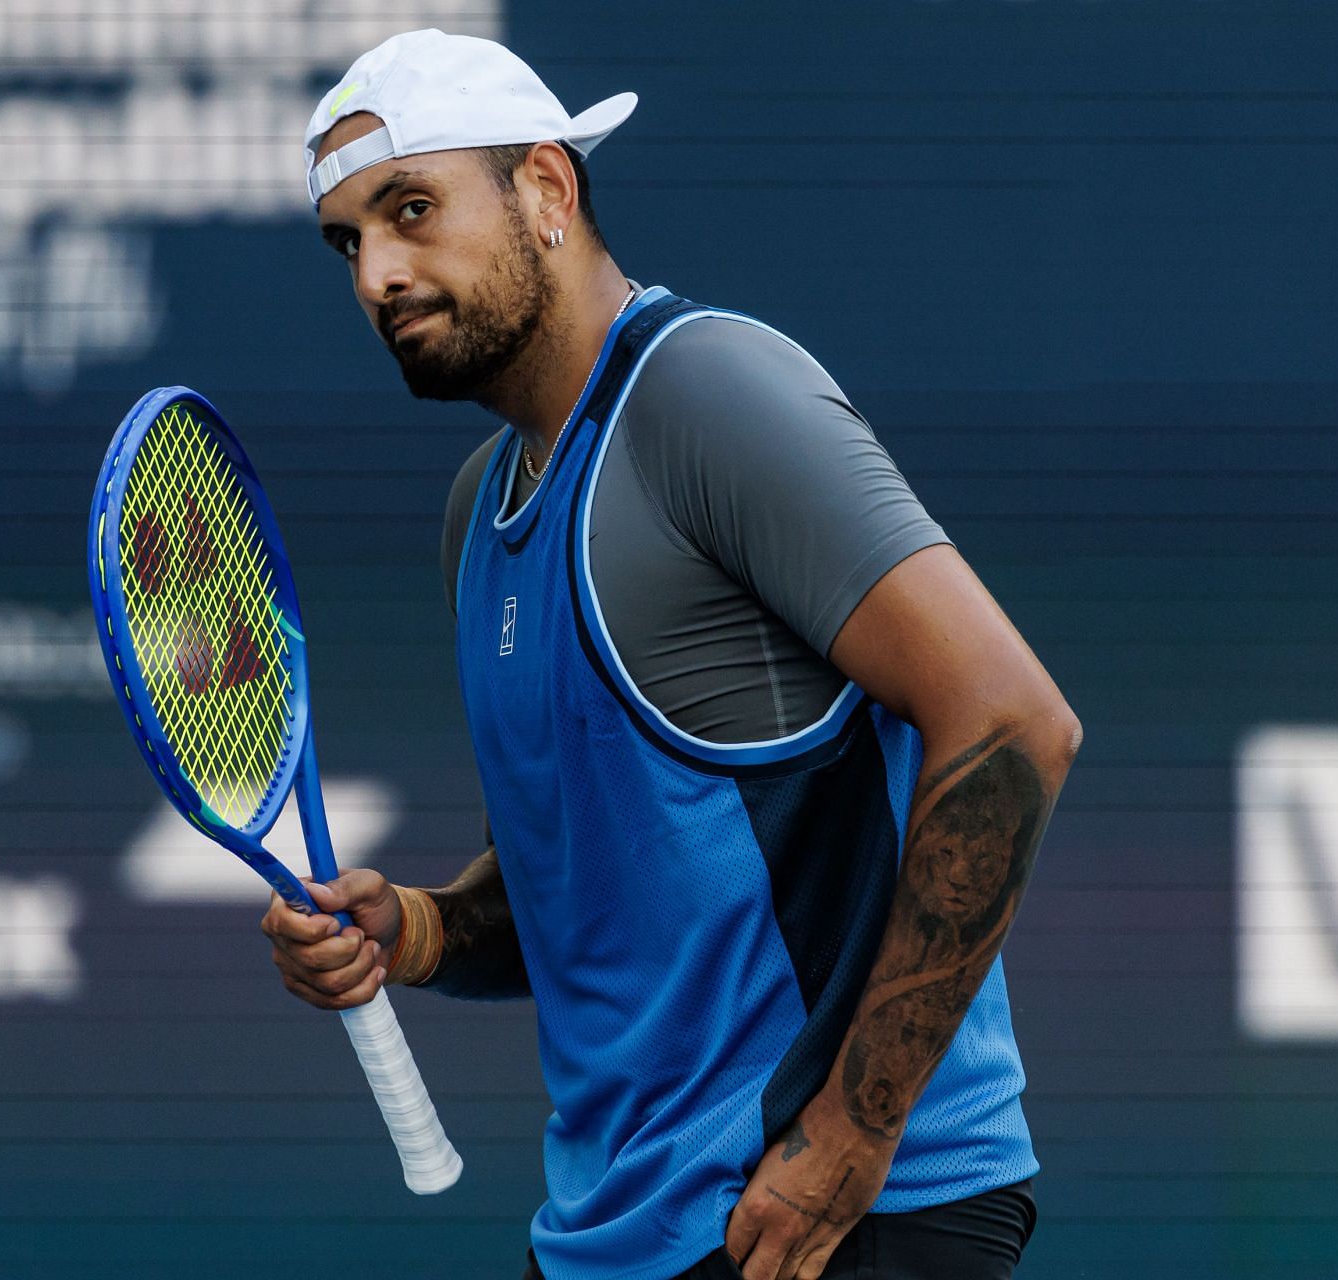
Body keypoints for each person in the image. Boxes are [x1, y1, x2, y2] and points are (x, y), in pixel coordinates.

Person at [262, 29, 1081, 1280]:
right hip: (619, 1234)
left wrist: (855, 1134)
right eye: (347, 242)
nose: (377, 271)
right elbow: (585, 881)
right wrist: (422, 929)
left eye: (411, 208)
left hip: (838, 1218)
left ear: (546, 188)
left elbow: (1014, 723)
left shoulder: (707, 392)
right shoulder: (480, 515)